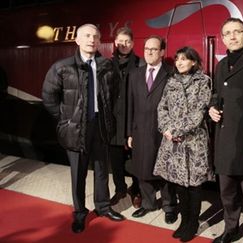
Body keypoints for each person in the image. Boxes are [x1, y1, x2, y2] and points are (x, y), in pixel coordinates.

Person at [42, 23, 125, 234]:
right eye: (87, 36)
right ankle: (79, 214)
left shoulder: (107, 65)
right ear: (77, 40)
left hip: (100, 125)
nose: (92, 39)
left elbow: (115, 93)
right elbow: (48, 95)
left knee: (101, 171)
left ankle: (103, 207)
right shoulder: (62, 66)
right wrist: (64, 119)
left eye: (96, 36)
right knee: (78, 173)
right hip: (75, 128)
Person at [208, 18, 243, 243]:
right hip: (224, 140)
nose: (232, 37)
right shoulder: (221, 65)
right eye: (227, 33)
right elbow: (215, 93)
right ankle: (231, 229)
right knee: (227, 194)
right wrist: (211, 108)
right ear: (221, 38)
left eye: (236, 32)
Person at [154, 46, 215, 242]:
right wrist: (166, 129)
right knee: (179, 183)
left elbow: (198, 112)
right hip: (172, 142)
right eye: (177, 59)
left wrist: (176, 130)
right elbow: (161, 107)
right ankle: (184, 220)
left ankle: (193, 223)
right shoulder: (171, 81)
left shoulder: (203, 82)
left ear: (194, 62)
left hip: (193, 142)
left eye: (184, 59)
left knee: (194, 184)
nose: (179, 62)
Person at [127, 35, 177, 224]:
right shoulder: (135, 74)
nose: (148, 52)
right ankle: (148, 204)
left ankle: (169, 207)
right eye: (146, 48)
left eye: (154, 49)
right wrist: (130, 132)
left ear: (162, 52)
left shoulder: (171, 73)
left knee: (165, 172)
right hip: (140, 131)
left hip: (163, 132)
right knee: (142, 170)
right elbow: (130, 105)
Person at [109, 26, 143, 208]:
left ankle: (137, 190)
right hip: (113, 121)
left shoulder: (140, 63)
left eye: (127, 42)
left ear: (132, 44)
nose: (124, 44)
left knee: (135, 159)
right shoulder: (107, 64)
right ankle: (120, 189)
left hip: (133, 120)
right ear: (115, 42)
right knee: (116, 161)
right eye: (121, 41)